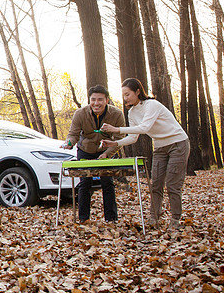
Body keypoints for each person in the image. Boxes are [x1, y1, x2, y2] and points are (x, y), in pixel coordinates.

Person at [100, 77, 190, 230]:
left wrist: (116, 129)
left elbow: (144, 128)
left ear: (137, 91)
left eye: (128, 94)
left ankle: (175, 220)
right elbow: (133, 137)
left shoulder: (152, 105)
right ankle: (154, 218)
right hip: (160, 148)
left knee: (173, 185)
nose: (125, 98)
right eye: (123, 95)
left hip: (177, 144)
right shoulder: (132, 112)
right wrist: (115, 143)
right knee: (156, 184)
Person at [61, 84, 126, 222]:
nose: (96, 103)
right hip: (85, 151)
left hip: (105, 151)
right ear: (89, 100)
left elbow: (120, 139)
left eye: (100, 99)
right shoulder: (80, 114)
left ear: (107, 100)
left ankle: (111, 219)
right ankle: (83, 218)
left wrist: (107, 154)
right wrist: (69, 143)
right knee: (85, 184)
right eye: (93, 99)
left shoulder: (116, 114)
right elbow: (73, 134)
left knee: (107, 183)